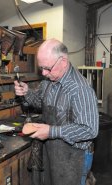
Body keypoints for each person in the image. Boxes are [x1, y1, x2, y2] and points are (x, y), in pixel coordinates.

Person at [14, 38, 99, 185]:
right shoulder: (48, 82)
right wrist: (26, 93)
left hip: (74, 157)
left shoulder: (80, 89)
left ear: (63, 62)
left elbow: (90, 129)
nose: (44, 73)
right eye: (41, 68)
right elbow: (39, 102)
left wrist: (52, 132)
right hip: (52, 152)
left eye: (47, 68)